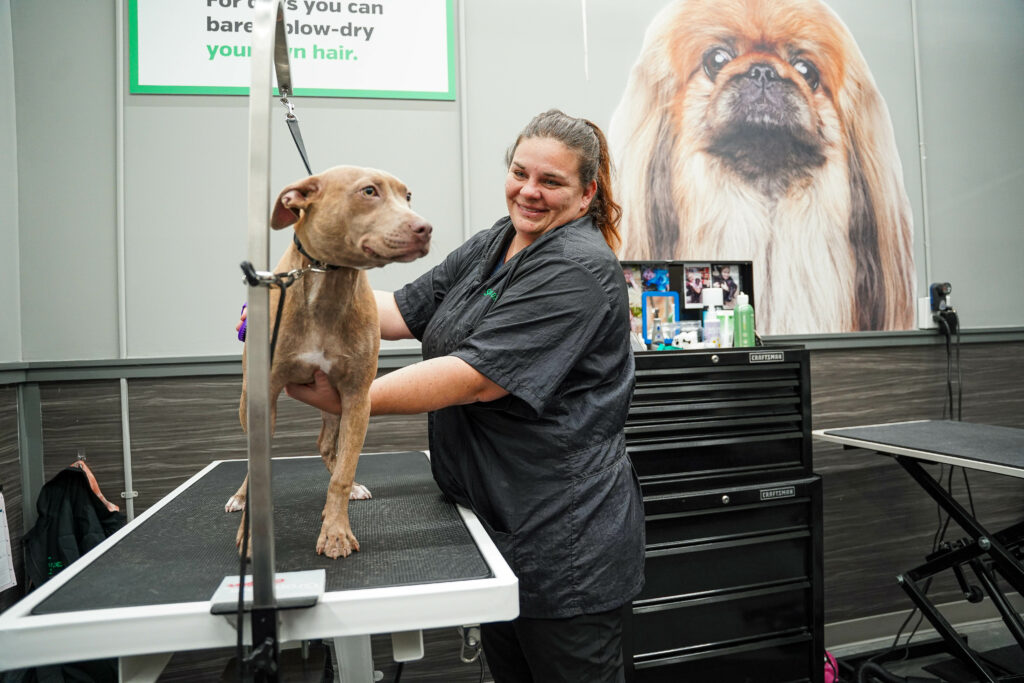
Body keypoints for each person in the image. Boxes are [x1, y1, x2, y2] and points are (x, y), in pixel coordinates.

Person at [252, 109, 645, 682]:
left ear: (586, 195)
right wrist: (291, 301)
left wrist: (348, 400)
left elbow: (474, 377)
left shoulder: (578, 269)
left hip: (565, 542)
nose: (529, 192)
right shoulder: (498, 240)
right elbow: (398, 311)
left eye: (551, 182)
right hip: (492, 519)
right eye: (520, 173)